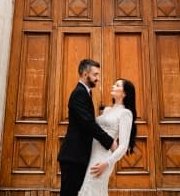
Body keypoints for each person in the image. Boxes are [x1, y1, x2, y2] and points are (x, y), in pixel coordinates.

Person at [58, 58, 116, 196]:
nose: (98, 78)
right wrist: (110, 142)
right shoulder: (79, 93)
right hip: (73, 156)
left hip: (79, 156)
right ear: (85, 74)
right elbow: (88, 124)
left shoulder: (85, 93)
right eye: (95, 75)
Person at [78, 78, 137, 196]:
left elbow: (123, 146)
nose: (113, 86)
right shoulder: (107, 110)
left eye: (117, 85)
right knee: (88, 189)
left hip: (103, 158)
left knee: (91, 189)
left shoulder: (125, 113)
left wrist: (107, 163)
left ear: (124, 93)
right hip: (90, 154)